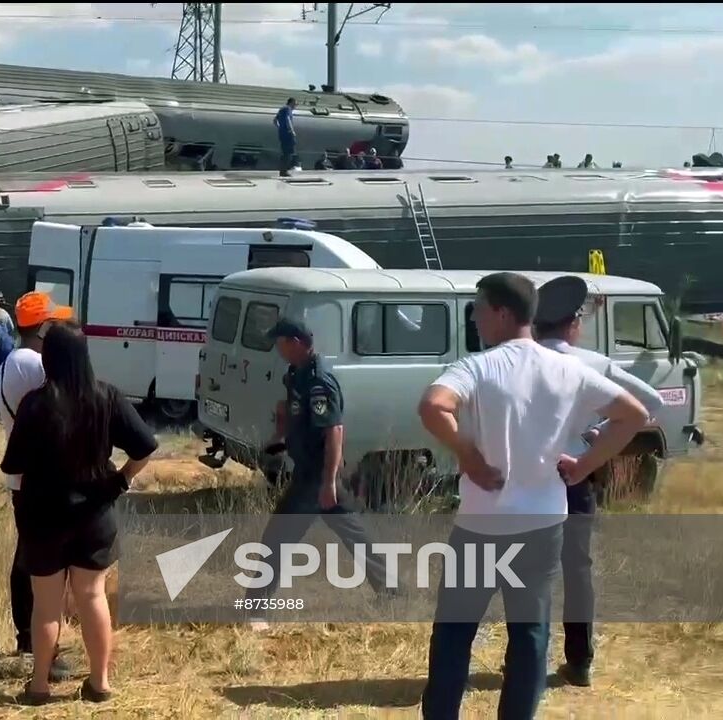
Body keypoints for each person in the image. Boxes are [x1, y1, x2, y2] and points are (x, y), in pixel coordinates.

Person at [416, 272, 649, 720]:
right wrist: (585, 465)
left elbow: (433, 406)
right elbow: (633, 415)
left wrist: (468, 455)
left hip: (481, 524)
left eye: (478, 309)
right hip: (542, 525)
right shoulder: (568, 369)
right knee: (529, 635)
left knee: (454, 632)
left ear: (502, 313)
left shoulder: (477, 367)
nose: (475, 319)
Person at [1, 323, 158, 704]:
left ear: (48, 357)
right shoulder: (107, 396)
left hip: (43, 516)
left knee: (46, 605)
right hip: (95, 513)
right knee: (93, 596)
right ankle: (99, 683)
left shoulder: (35, 404)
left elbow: (12, 464)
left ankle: (39, 687)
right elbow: (146, 446)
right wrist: (121, 479)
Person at [533, 275, 664, 687]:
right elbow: (652, 401)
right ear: (573, 324)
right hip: (576, 472)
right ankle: (580, 661)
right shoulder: (593, 364)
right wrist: (596, 433)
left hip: (528, 477)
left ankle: (527, 659)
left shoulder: (516, 362)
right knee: (577, 569)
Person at [243, 319, 390, 630]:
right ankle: (393, 591)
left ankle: (255, 609)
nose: (278, 349)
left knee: (277, 538)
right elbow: (295, 411)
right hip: (311, 471)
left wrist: (328, 481)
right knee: (354, 534)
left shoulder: (319, 381)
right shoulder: (297, 374)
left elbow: (334, 431)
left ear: (296, 342)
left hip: (315, 476)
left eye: (280, 342)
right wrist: (281, 433)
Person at [0, 292, 75, 668]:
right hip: (41, 480)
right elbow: (66, 407)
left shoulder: (14, 361)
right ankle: (38, 644)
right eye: (55, 323)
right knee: (43, 564)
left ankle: (29, 639)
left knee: (29, 557)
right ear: (43, 328)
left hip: (25, 478)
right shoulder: (34, 364)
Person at [275, 97, 298, 176]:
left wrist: (280, 128)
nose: (296, 106)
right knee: (289, 153)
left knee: (284, 152)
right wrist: (291, 131)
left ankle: (282, 170)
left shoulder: (281, 109)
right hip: (288, 134)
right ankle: (284, 171)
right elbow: (288, 119)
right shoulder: (288, 109)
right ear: (291, 103)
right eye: (295, 104)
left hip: (282, 134)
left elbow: (275, 120)